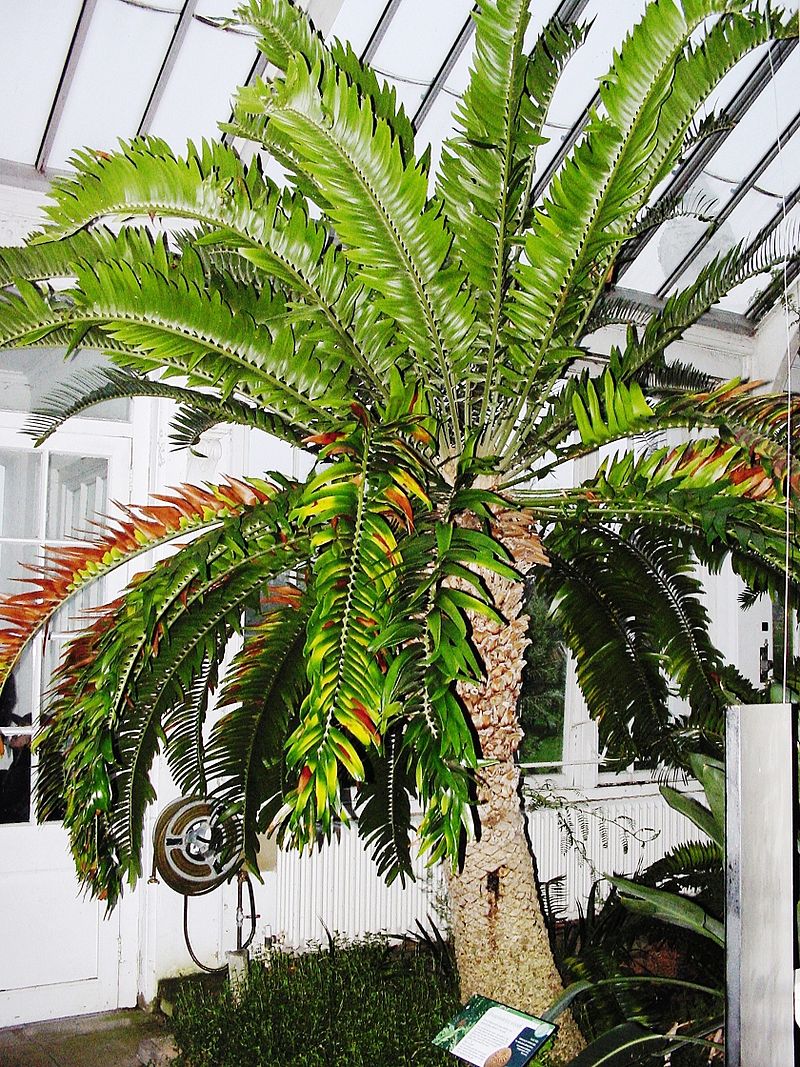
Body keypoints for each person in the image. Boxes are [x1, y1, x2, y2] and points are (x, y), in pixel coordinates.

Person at [0, 674, 31, 823]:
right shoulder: (19, 761)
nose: (15, 732)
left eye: (21, 729)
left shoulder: (26, 763)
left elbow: (12, 797)